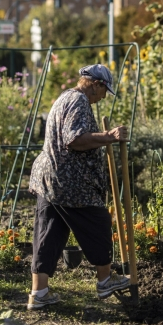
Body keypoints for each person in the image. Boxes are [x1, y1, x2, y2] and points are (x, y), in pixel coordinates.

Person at [27, 63, 130, 310]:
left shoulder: (65, 97)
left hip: (49, 177)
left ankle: (38, 294)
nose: (103, 98)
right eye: (105, 92)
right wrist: (110, 137)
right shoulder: (80, 101)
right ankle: (105, 280)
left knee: (48, 234)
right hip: (69, 181)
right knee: (98, 221)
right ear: (97, 85)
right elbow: (74, 139)